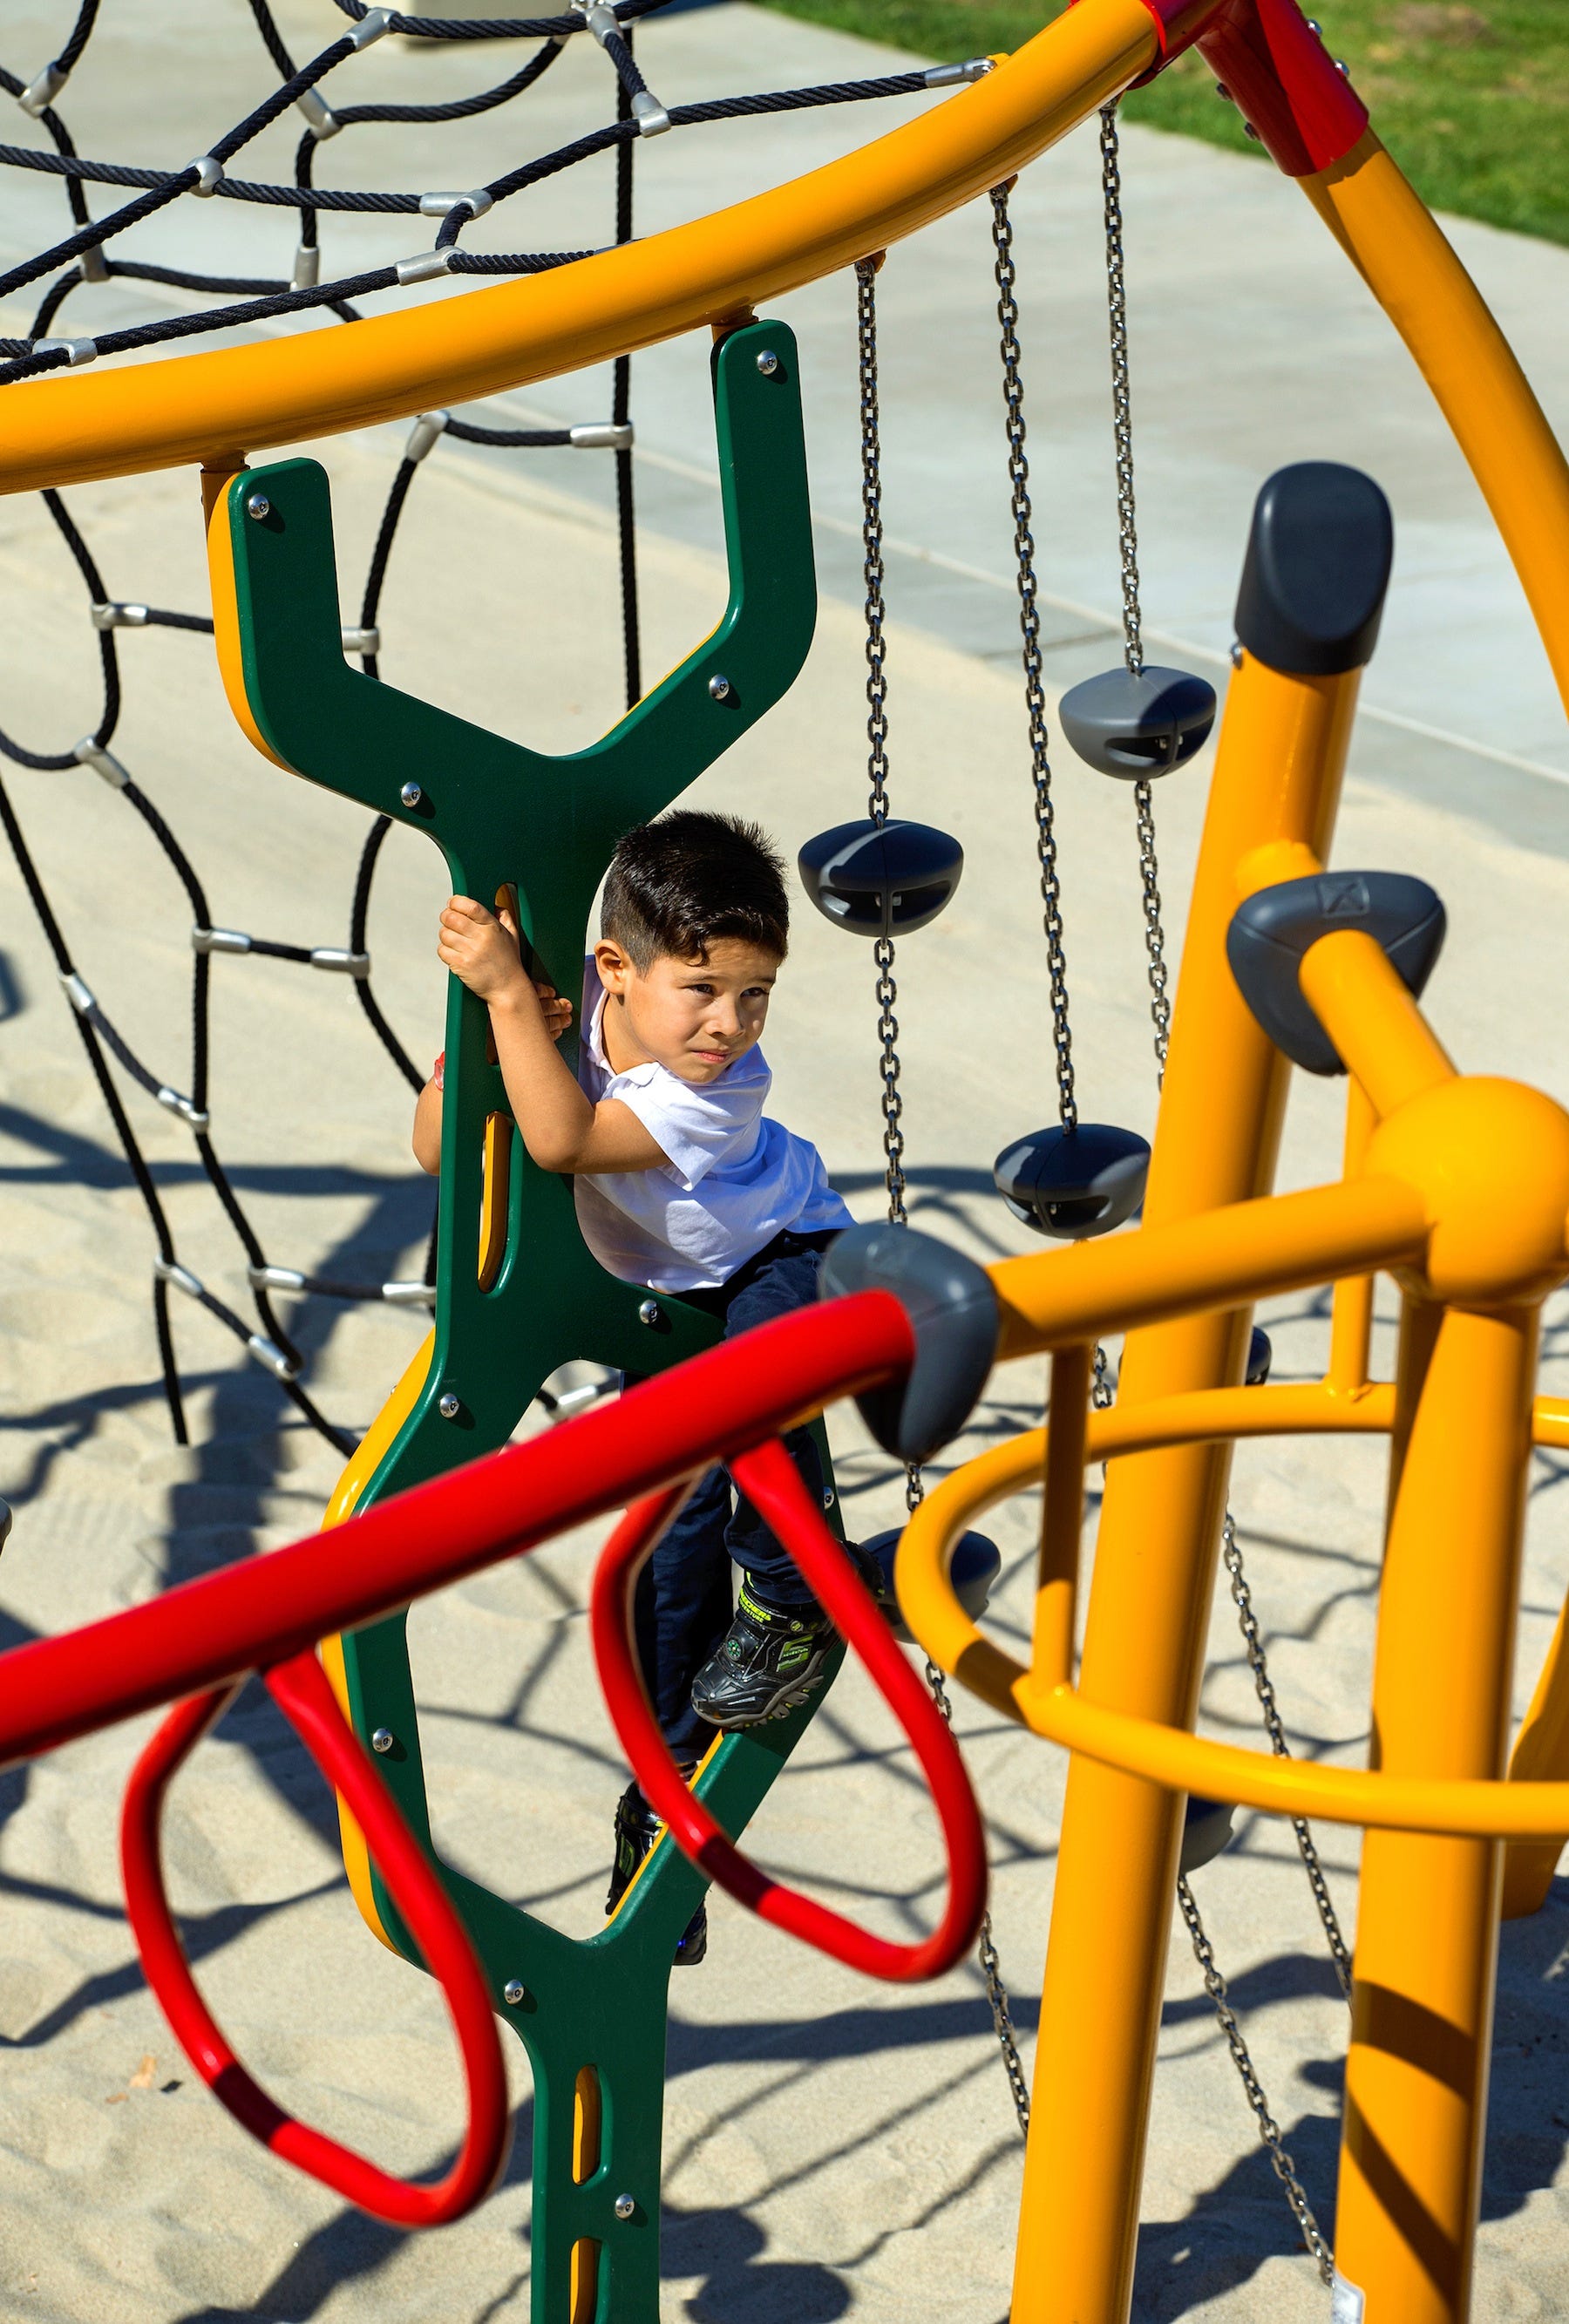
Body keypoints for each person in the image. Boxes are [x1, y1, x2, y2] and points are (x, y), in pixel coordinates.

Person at [411, 810, 857, 1964]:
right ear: (616, 968)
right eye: (704, 988)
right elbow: (437, 1146)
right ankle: (660, 1808)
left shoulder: (719, 1090)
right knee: (664, 1570)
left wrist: (512, 999)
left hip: (781, 1255)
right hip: (669, 1307)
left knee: (759, 1383)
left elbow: (558, 1146)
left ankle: (795, 1599)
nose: (731, 1023)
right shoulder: (575, 1025)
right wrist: (481, 1030)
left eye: (756, 994)